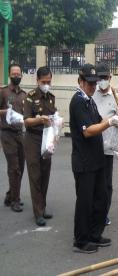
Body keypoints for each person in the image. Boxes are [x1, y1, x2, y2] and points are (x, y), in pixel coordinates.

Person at [69, 63, 118, 254]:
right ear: (80, 82)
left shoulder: (90, 101)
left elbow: (99, 120)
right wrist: (109, 123)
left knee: (101, 197)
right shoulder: (78, 101)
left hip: (97, 159)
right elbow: (88, 131)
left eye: (94, 82)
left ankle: (94, 234)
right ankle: (81, 240)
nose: (92, 86)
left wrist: (117, 124)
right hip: (84, 162)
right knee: (85, 202)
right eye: (89, 83)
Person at [23, 66, 56, 226]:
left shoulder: (51, 97)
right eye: (44, 82)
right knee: (35, 176)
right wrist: (40, 119)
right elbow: (26, 120)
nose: (46, 84)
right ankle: (38, 212)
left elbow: (53, 117)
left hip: (47, 139)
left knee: (45, 174)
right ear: (37, 81)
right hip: (33, 139)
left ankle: (42, 207)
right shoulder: (30, 97)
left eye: (49, 81)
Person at [92, 62, 118, 226]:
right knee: (94, 182)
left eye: (105, 77)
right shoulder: (92, 94)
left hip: (108, 147)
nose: (102, 81)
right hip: (93, 146)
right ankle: (93, 212)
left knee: (106, 184)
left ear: (110, 78)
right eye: (100, 78)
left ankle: (103, 214)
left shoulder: (115, 97)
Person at [0, 63, 27, 212]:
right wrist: (6, 113)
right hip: (7, 133)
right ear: (9, 75)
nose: (16, 76)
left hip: (20, 134)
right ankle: (15, 201)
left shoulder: (24, 94)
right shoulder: (3, 92)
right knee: (14, 168)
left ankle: (10, 195)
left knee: (21, 168)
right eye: (13, 73)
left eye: (18, 73)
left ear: (21, 75)